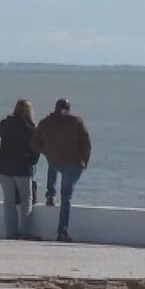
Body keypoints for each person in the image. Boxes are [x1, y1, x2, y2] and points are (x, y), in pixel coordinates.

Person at [31, 98, 92, 243]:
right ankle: (62, 231)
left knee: (52, 165)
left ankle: (50, 194)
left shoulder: (46, 122)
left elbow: (34, 143)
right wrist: (85, 162)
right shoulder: (77, 122)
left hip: (55, 161)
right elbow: (87, 144)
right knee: (67, 197)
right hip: (74, 164)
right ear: (69, 108)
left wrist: (46, 151)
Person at [0, 99, 40, 240]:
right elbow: (36, 151)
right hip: (22, 169)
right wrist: (31, 161)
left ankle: (11, 233)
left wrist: (7, 120)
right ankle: (25, 232)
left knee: (9, 201)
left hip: (3, 167)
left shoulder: (8, 124)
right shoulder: (31, 128)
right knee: (26, 200)